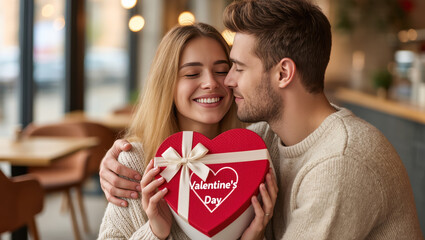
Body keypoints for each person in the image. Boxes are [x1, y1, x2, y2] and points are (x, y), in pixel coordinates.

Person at [99, 0, 424, 239]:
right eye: (192, 73)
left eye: (234, 68)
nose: (224, 82)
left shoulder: (334, 164)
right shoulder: (261, 140)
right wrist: (115, 164)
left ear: (283, 72)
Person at [97, 22, 278, 240]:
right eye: (192, 74)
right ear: (167, 84)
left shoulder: (256, 156)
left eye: (221, 71)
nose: (211, 83)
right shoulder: (134, 163)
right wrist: (155, 232)